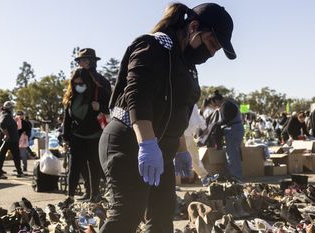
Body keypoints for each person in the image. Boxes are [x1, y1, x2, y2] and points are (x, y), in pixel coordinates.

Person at [99, 3, 235, 232]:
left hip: (161, 148)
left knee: (162, 216)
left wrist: (181, 150)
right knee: (127, 214)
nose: (211, 53)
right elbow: (137, 96)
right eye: (212, 43)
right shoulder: (154, 45)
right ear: (193, 27)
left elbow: (178, 113)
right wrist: (147, 144)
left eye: (216, 49)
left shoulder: (186, 65)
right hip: (128, 141)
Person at [62, 68, 109, 202]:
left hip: (95, 136)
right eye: (75, 84)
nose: (78, 86)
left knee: (94, 167)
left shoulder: (99, 92)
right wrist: (65, 138)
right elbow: (67, 119)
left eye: (81, 83)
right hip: (77, 136)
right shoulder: (71, 96)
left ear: (87, 81)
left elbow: (111, 107)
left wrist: (99, 106)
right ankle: (70, 196)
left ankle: (95, 194)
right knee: (74, 167)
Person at [0, 101, 24, 178]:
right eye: (12, 108)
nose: (13, 109)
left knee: (1, 156)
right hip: (9, 140)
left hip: (5, 139)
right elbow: (2, 124)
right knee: (14, 156)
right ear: (9, 108)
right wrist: (6, 134)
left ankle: (0, 171)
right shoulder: (6, 115)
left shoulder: (1, 114)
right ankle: (18, 171)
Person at [219, 97, 244, 180]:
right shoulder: (232, 104)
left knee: (232, 154)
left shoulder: (225, 105)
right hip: (238, 128)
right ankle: (232, 174)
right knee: (233, 153)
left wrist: (216, 124)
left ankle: (236, 176)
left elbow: (225, 119)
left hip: (233, 129)